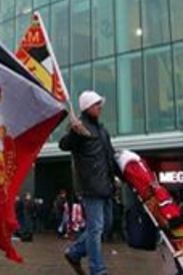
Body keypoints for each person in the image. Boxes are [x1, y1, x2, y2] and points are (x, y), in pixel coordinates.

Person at [59, 91, 120, 275]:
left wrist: (119, 177)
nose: (100, 107)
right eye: (96, 104)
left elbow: (110, 157)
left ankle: (75, 252)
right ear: (87, 107)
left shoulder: (102, 130)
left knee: (106, 225)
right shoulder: (79, 128)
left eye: (100, 103)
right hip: (90, 187)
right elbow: (64, 144)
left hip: (106, 187)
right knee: (96, 229)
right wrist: (73, 132)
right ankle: (97, 270)